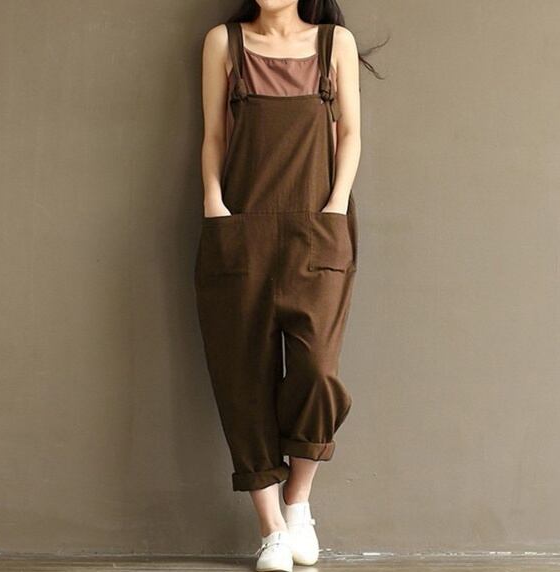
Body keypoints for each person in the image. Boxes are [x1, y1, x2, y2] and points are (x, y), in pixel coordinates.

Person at [194, 1, 384, 570]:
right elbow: (214, 134)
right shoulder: (224, 42)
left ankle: (298, 504)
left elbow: (350, 133)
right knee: (241, 377)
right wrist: (214, 206)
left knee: (317, 370)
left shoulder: (333, 44)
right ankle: (271, 528)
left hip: (317, 229)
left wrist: (335, 206)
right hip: (239, 228)